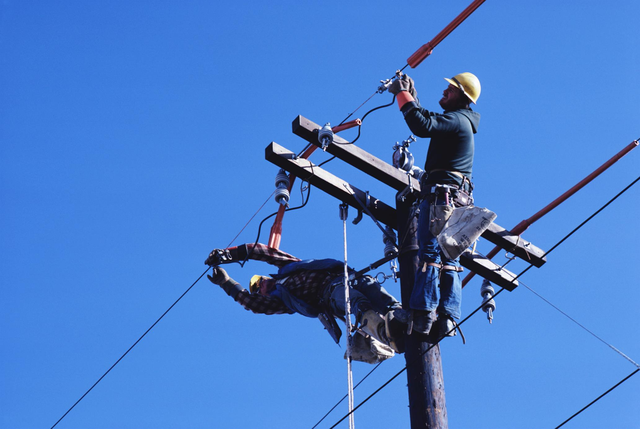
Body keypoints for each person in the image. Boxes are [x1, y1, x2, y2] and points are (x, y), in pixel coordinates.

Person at [388, 72, 481, 338]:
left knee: (430, 255)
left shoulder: (458, 121)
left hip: (443, 197)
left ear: (462, 96)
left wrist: (400, 95)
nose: (444, 93)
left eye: (449, 90)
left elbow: (421, 127)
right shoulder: (459, 121)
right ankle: (448, 317)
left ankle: (422, 313)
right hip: (456, 199)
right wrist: (413, 98)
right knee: (448, 257)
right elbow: (430, 120)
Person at [205, 243, 406, 360]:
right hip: (330, 292)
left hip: (345, 274)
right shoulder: (283, 301)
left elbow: (262, 251)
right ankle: (386, 333)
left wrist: (228, 254)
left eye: (259, 280)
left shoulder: (288, 268)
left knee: (372, 288)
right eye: (257, 288)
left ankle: (399, 316)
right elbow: (252, 305)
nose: (261, 285)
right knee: (354, 300)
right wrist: (226, 282)